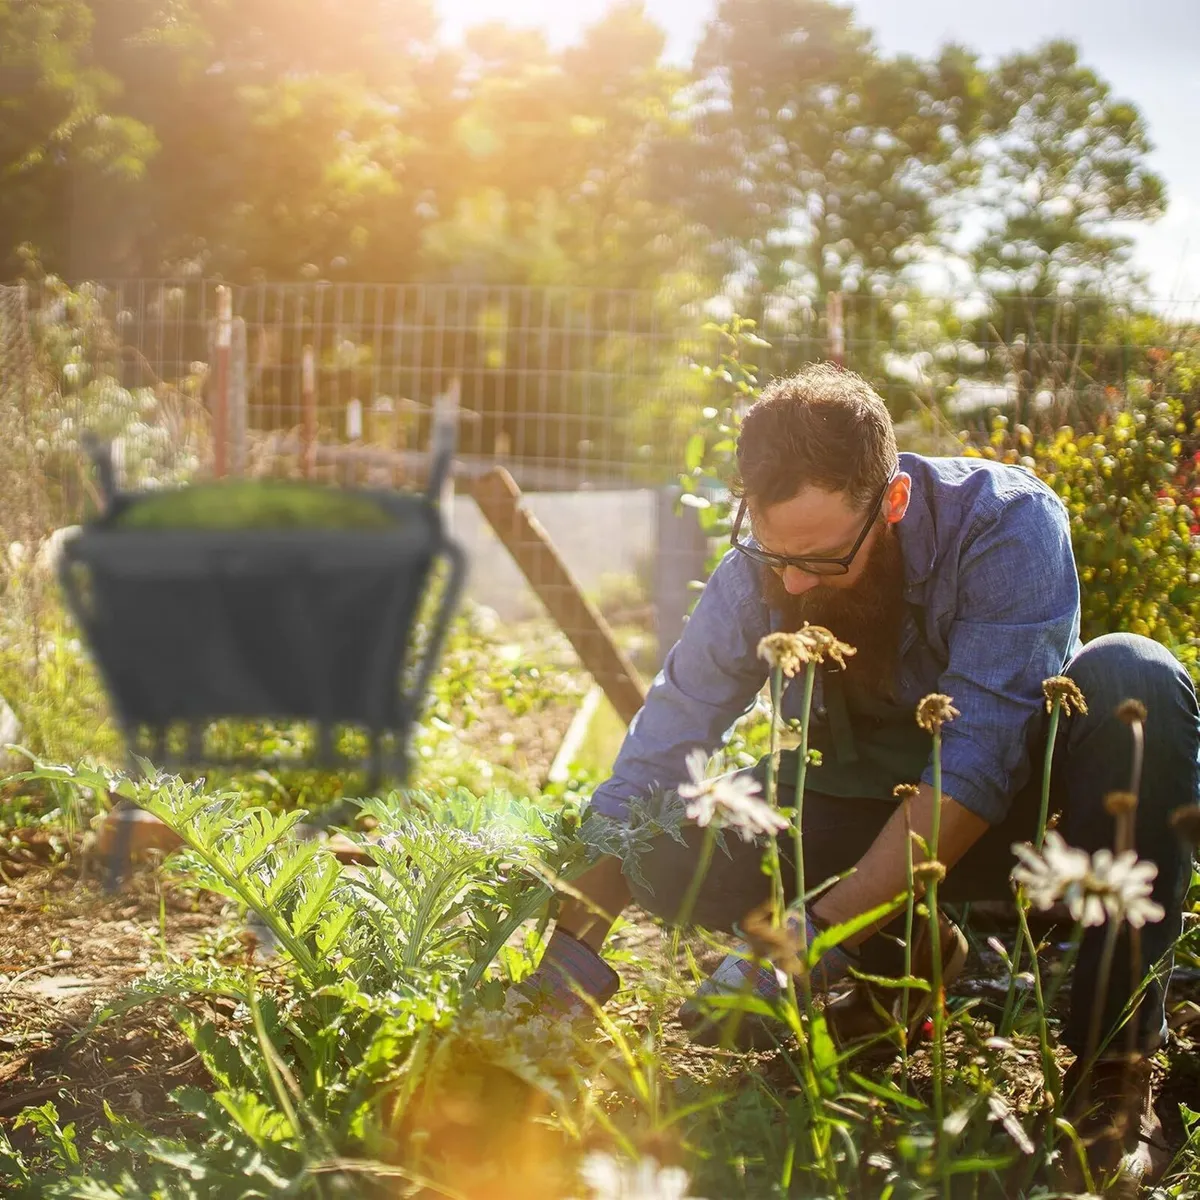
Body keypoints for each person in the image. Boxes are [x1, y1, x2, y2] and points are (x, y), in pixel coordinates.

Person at [518, 364, 1199, 1187]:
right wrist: (565, 958)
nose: (794, 582)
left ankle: (1112, 1077)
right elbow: (664, 742)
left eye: (822, 559)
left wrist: (806, 940)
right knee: (663, 843)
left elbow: (977, 765)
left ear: (894, 503)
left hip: (1022, 833)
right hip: (856, 810)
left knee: (1139, 680)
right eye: (775, 554)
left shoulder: (1005, 526)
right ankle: (908, 957)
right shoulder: (762, 568)